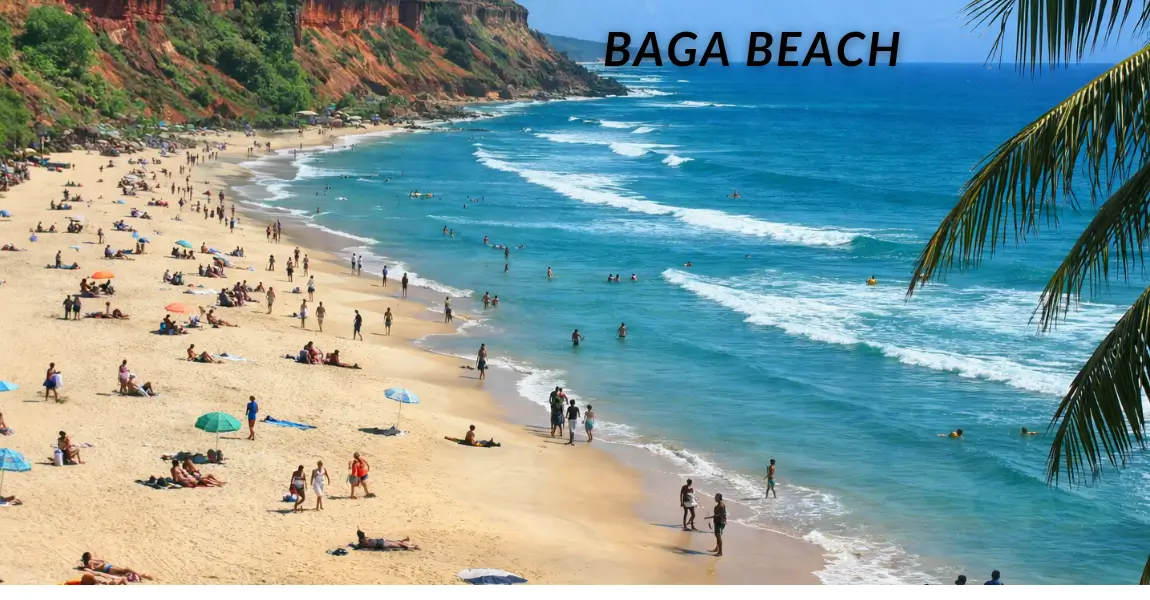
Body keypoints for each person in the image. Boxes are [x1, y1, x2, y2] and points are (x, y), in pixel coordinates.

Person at [79, 553, 153, 580]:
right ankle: (139, 574)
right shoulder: (90, 561)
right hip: (108, 567)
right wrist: (101, 564)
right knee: (126, 569)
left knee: (124, 572)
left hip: (108, 568)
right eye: (90, 555)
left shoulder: (88, 562)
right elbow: (94, 568)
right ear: (88, 557)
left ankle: (141, 575)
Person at [355, 529, 419, 550]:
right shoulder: (363, 543)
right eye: (363, 537)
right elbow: (358, 546)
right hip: (382, 544)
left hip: (382, 541)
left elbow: (364, 538)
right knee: (399, 545)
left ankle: (407, 542)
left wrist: (360, 534)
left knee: (397, 542)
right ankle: (412, 547)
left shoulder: (363, 540)